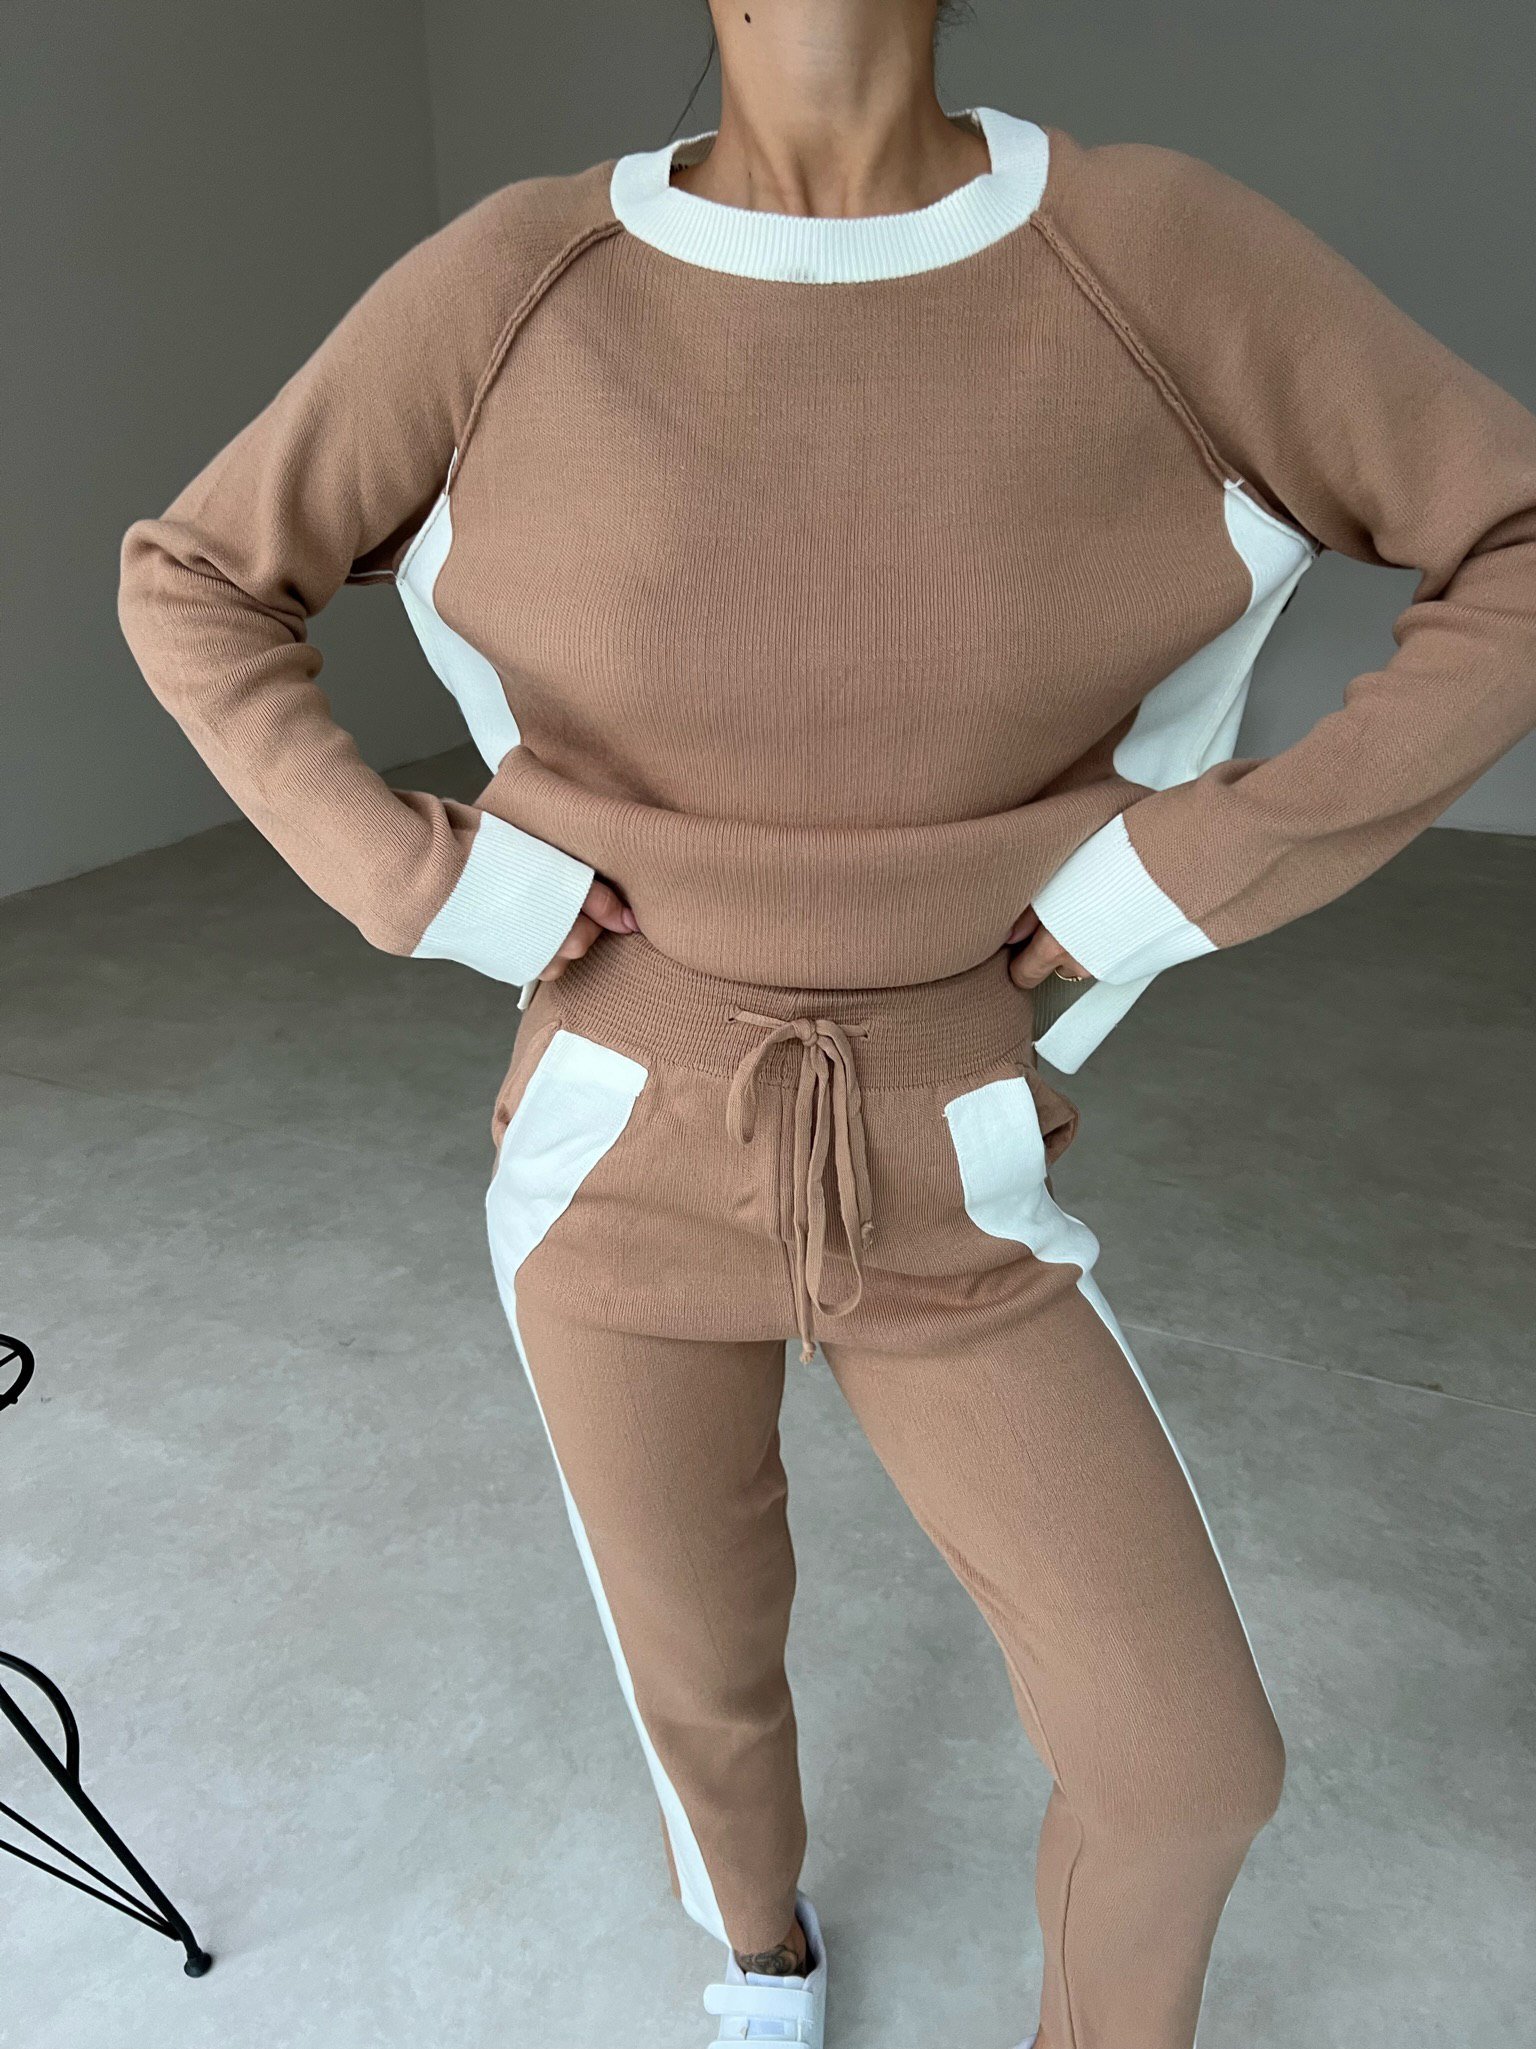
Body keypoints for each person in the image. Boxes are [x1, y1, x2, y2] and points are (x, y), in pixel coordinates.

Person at [115, 3, 1536, 2044]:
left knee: (1186, 1765)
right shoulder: (515, 279)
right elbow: (195, 577)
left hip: (949, 1136)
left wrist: (1179, 871)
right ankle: (760, 1959)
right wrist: (432, 879)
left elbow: (1512, 536)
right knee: (696, 1654)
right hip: (613, 1131)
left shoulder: (1148, 252)